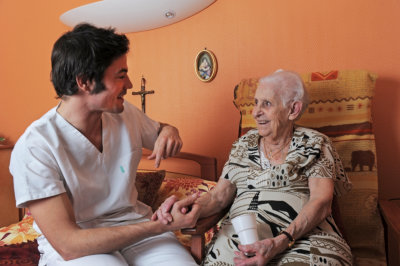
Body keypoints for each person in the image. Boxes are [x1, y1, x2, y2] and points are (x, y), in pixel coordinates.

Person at [10, 23, 199, 266]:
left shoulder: (125, 114)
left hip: (137, 228)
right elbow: (68, 244)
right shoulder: (35, 147)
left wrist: (169, 131)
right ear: (85, 82)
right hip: (81, 243)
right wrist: (159, 225)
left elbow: (161, 130)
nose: (129, 84)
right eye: (121, 75)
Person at [154, 70, 353, 265]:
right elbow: (218, 197)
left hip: (303, 238)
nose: (255, 112)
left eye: (266, 104)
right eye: (256, 102)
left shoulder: (315, 144)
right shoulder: (243, 145)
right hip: (239, 240)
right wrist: (190, 207)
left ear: (293, 110)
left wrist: (281, 241)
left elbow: (322, 201)